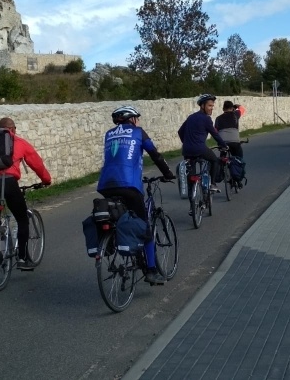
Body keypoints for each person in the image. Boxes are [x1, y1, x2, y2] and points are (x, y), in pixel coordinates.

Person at [97, 105, 176, 285]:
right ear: (131, 119)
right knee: (144, 227)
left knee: (119, 217)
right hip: (129, 185)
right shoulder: (138, 132)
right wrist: (167, 173)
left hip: (105, 185)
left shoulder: (109, 134)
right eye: (136, 118)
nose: (138, 122)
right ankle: (150, 270)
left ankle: (114, 243)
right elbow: (155, 155)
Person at [0, 117, 52, 271]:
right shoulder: (19, 142)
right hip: (9, 183)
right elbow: (36, 163)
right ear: (12, 129)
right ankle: (22, 257)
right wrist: (46, 180)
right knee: (22, 219)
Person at [178, 93, 228, 192]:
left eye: (212, 106)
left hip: (187, 150)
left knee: (191, 177)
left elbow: (180, 132)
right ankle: (212, 184)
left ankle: (192, 201)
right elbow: (215, 134)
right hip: (199, 148)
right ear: (202, 106)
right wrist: (224, 145)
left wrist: (187, 143)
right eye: (209, 105)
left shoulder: (191, 117)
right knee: (214, 160)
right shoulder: (206, 119)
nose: (211, 108)